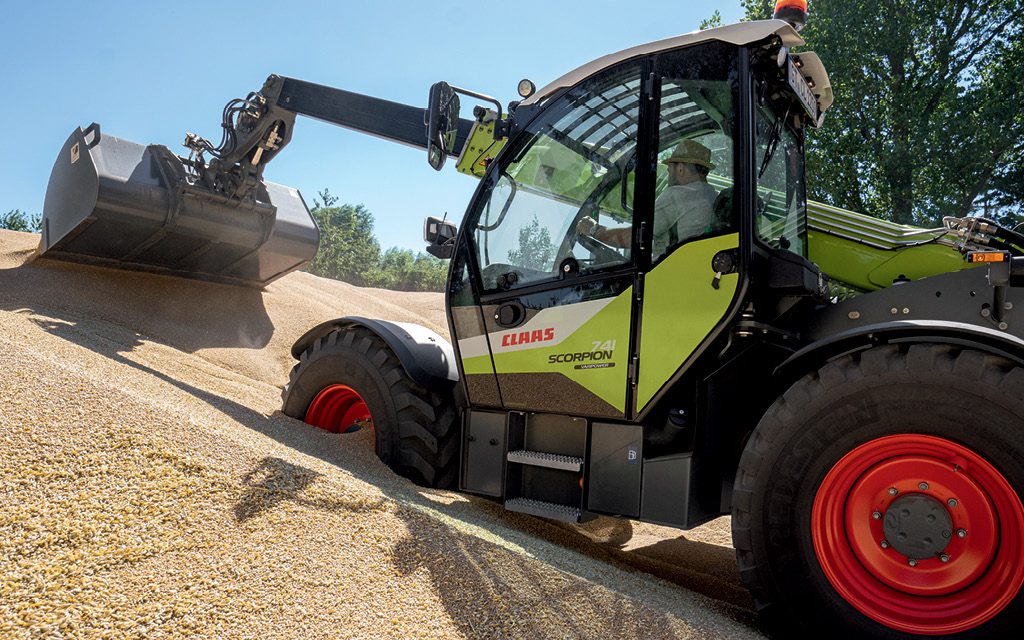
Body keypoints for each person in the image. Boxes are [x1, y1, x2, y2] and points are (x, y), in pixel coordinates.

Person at [577, 139, 718, 258]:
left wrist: (594, 230)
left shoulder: (679, 195)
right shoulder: (713, 196)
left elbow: (632, 238)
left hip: (670, 275)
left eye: (669, 170)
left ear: (680, 169)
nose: (669, 175)